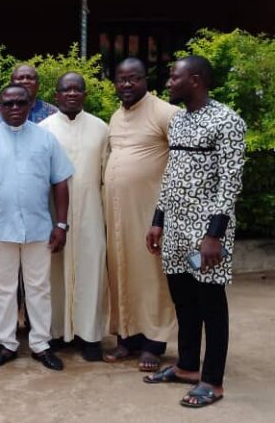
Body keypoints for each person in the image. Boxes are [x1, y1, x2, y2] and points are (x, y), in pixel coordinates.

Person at [144, 56, 246, 408]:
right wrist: (158, 219)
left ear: (196, 80)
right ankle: (187, 366)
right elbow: (171, 175)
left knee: (211, 304)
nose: (169, 83)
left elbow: (230, 184)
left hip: (206, 231)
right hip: (174, 227)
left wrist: (214, 234)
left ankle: (212, 381)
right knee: (183, 300)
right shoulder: (179, 122)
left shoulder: (227, 121)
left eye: (175, 77)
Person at [0, 84, 73, 371]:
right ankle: (6, 344)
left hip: (40, 228)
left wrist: (61, 224)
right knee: (3, 289)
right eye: (8, 104)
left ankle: (41, 344)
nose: (14, 108)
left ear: (30, 105)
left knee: (39, 288)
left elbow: (60, 182)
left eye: (20, 103)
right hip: (0, 229)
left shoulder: (46, 139)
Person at [103, 58, 179, 372]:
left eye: (133, 79)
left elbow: (181, 165)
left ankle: (154, 342)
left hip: (150, 214)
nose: (127, 85)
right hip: (117, 215)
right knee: (121, 272)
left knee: (151, 276)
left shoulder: (165, 113)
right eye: (121, 79)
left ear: (145, 79)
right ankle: (128, 337)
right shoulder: (116, 116)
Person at [39, 72, 109, 361]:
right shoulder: (43, 129)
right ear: (56, 96)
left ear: (84, 95)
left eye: (77, 90)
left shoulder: (101, 128)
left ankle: (90, 335)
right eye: (65, 90)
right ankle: (55, 333)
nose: (71, 94)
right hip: (54, 213)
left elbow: (107, 175)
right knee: (53, 273)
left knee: (91, 271)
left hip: (92, 211)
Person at [0, 64, 58, 133]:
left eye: (30, 78)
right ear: (11, 84)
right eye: (20, 78)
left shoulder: (53, 113)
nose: (25, 81)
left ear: (38, 85)